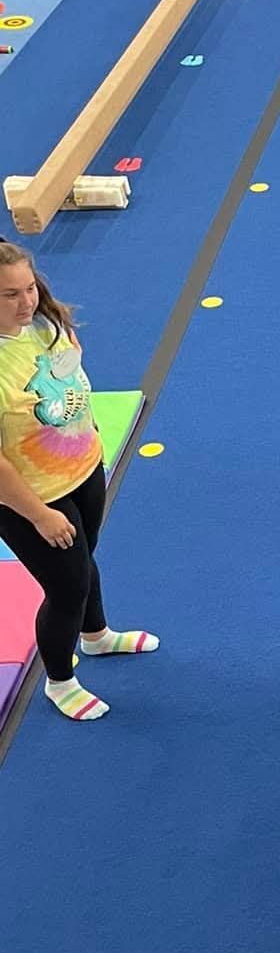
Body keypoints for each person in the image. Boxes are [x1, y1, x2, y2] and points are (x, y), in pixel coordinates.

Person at [0, 241, 157, 721]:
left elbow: (72, 374)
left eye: (29, 287)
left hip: (84, 467)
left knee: (84, 561)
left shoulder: (45, 324)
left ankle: (96, 635)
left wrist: (88, 439)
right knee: (66, 587)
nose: (25, 301)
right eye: (9, 295)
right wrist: (39, 515)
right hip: (30, 496)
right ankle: (59, 681)